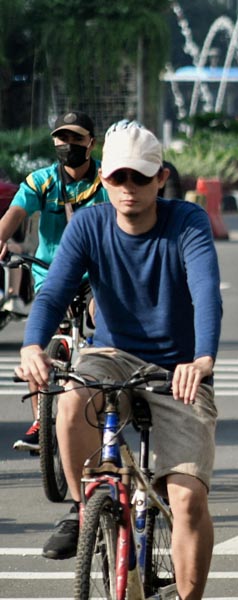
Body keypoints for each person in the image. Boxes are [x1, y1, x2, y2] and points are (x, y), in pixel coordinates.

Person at [15, 121, 222, 600]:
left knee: (188, 500)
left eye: (140, 178)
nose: (128, 189)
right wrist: (31, 345)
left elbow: (206, 293)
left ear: (160, 179)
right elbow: (53, 295)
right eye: (118, 178)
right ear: (102, 179)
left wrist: (203, 359)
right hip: (110, 356)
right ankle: (90, 509)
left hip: (179, 368)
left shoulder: (186, 222)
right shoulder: (90, 223)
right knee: (68, 402)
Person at [1, 110, 109, 452]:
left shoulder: (108, 180)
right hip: (53, 275)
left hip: (97, 274)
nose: (68, 145)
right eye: (62, 138)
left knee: (100, 317)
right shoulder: (41, 181)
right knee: (39, 341)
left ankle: (107, 387)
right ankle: (39, 421)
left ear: (91, 143)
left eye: (76, 138)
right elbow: (13, 216)